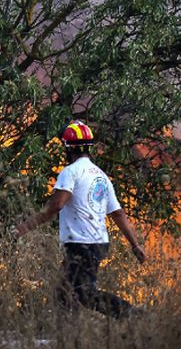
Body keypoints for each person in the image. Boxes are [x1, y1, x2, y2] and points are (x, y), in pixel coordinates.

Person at [13, 120, 146, 319]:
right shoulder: (101, 176)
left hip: (81, 243)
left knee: (85, 294)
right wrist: (135, 245)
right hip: (98, 243)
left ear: (67, 148)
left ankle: (132, 315)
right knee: (64, 293)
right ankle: (70, 336)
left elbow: (55, 206)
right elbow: (118, 214)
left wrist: (23, 228)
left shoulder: (70, 172)